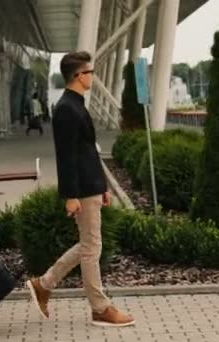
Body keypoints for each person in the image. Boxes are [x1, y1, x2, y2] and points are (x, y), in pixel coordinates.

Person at [26, 51, 135, 327]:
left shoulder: (76, 105)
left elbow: (88, 152)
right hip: (81, 190)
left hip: (91, 186)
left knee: (89, 245)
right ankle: (99, 308)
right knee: (91, 248)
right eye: (90, 72)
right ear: (78, 75)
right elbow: (66, 157)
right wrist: (70, 196)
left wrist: (104, 186)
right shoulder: (66, 108)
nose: (93, 77)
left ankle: (44, 284)